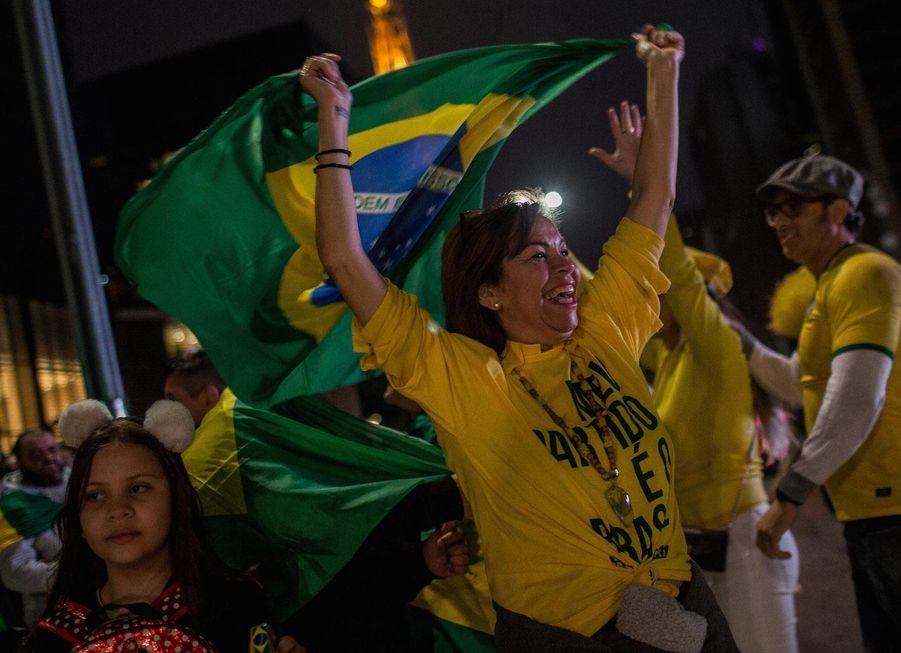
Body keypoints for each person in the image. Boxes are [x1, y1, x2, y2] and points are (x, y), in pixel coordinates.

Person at [302, 24, 737, 652]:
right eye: (538, 256)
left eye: (562, 249)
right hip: (569, 637)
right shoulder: (461, 378)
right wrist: (335, 121)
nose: (565, 266)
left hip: (683, 609)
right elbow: (344, 259)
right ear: (489, 292)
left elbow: (656, 197)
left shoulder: (605, 330)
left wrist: (664, 72)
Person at [744, 152, 901, 652]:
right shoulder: (831, 282)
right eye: (773, 212)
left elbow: (855, 400)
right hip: (882, 513)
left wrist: (790, 495)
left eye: (792, 208)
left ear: (837, 212)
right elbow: (800, 383)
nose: (779, 222)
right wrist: (738, 339)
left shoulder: (863, 274)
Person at [590, 104, 799, 652]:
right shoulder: (670, 361)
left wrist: (645, 184)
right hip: (706, 555)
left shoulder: (715, 349)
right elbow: (598, 305)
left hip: (749, 544)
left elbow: (678, 275)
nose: (644, 301)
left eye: (654, 292)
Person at [166, 351, 471, 652]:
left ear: (209, 395)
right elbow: (336, 531)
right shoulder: (249, 419)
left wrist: (421, 557)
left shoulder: (228, 442)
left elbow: (332, 533)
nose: (169, 415)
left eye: (175, 400)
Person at [21, 399, 305, 652]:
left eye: (138, 488)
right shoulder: (57, 637)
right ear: (79, 520)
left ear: (176, 498)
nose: (117, 510)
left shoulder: (235, 604)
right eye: (95, 496)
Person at [0, 430, 67, 626]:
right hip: (53, 617)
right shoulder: (13, 507)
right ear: (19, 463)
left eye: (52, 449)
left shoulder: (78, 481)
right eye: (35, 455)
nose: (48, 458)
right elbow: (15, 573)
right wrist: (73, 570)